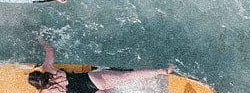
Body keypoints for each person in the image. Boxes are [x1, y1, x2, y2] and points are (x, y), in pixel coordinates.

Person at [28, 38, 175, 92]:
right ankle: (161, 71)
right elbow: (50, 50)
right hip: (92, 79)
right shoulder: (48, 68)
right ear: (40, 73)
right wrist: (40, 40)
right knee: (128, 75)